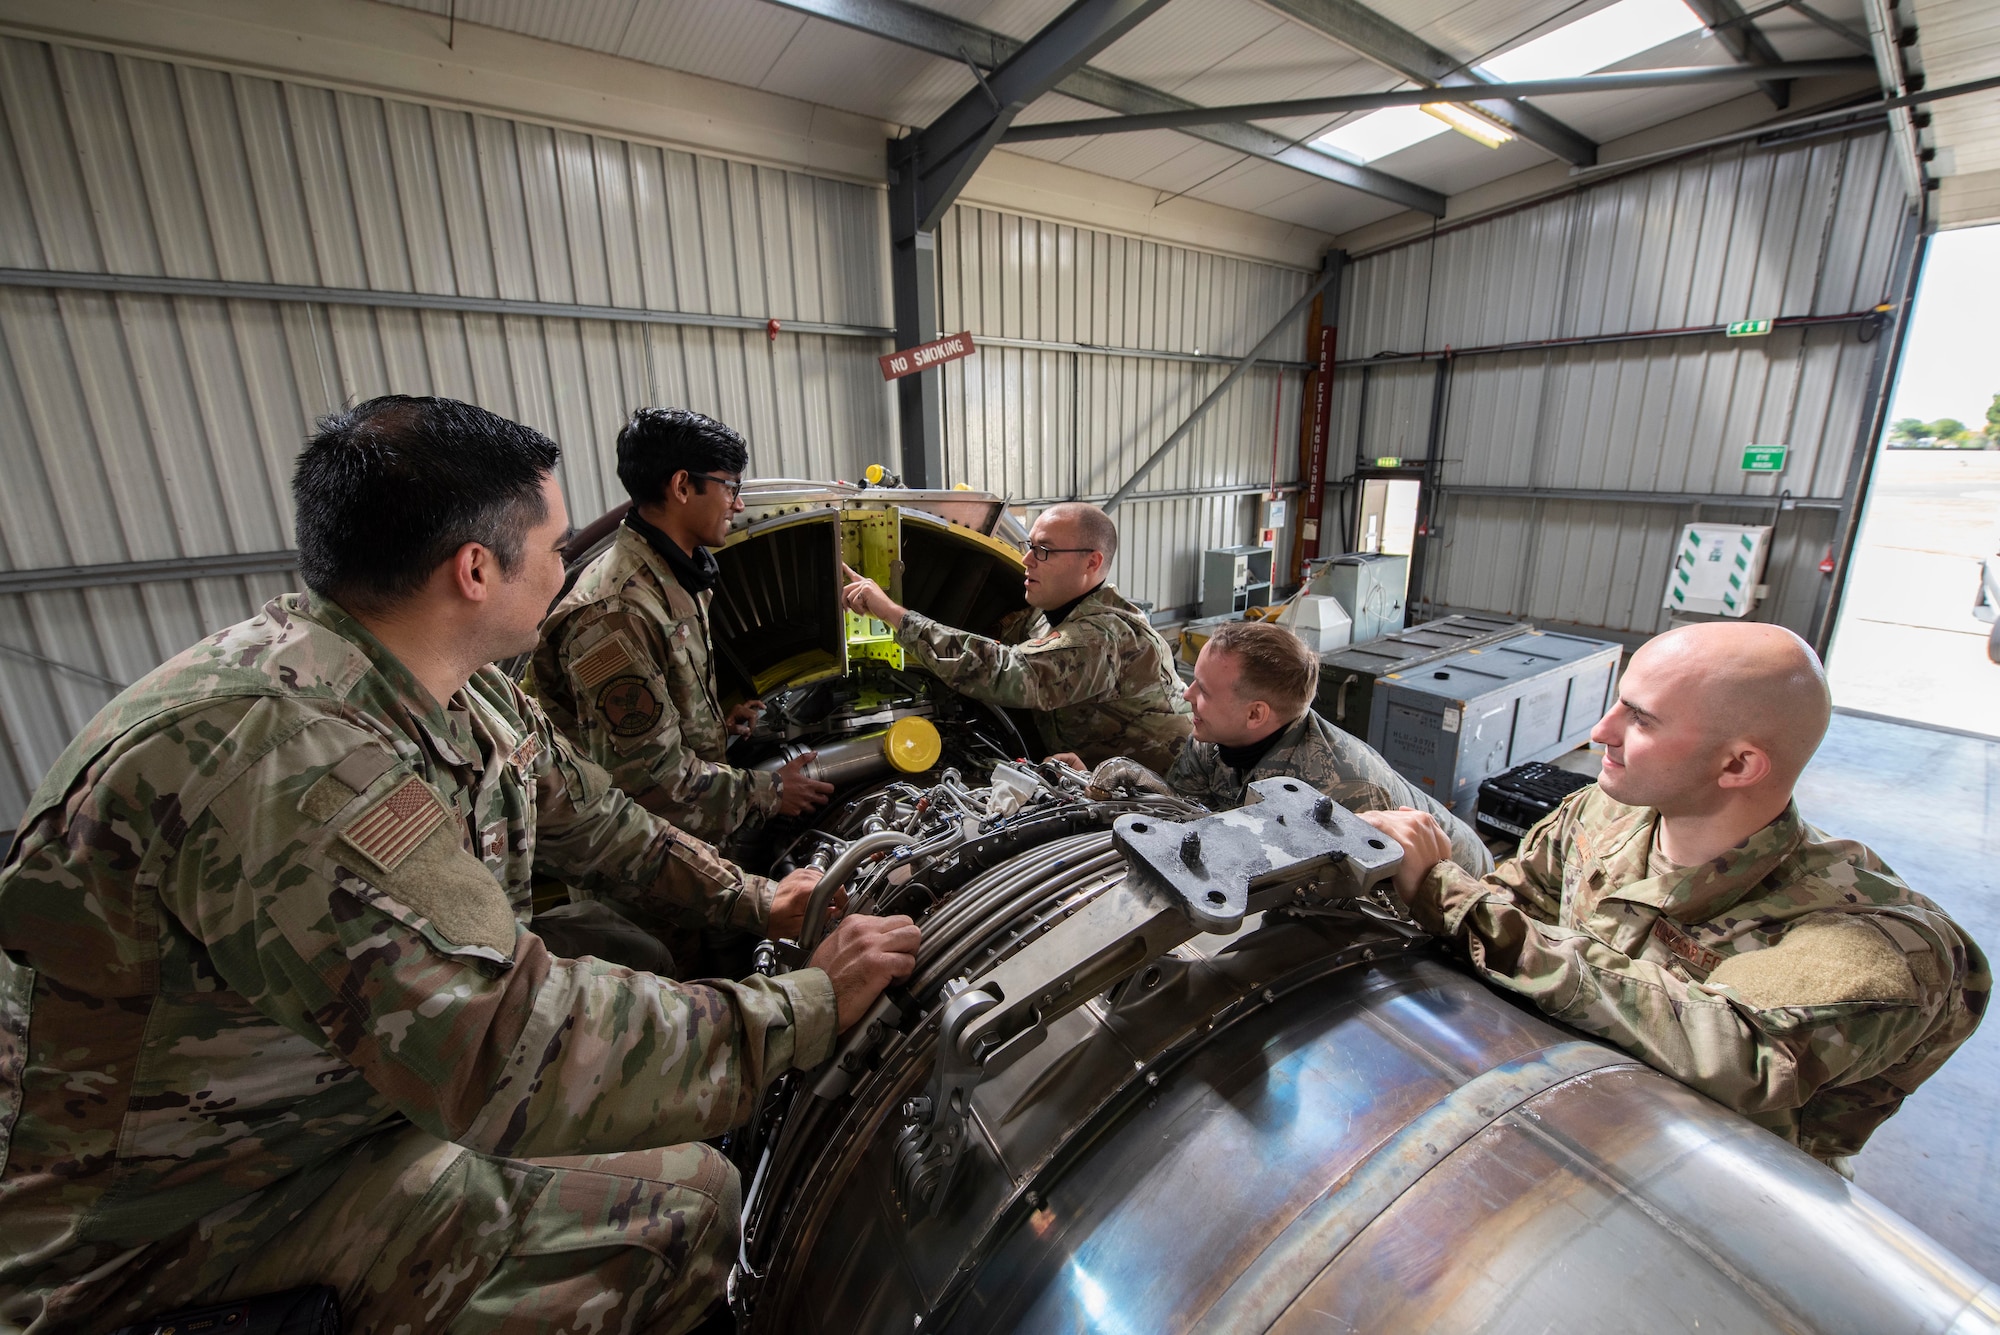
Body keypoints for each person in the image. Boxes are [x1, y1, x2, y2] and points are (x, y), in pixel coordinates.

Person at [0, 396, 920, 1335]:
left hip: (315, 1117)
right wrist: (804, 1008)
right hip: (170, 1224)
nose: (570, 570)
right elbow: (507, 1046)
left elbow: (600, 822)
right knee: (682, 1208)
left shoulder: (456, 688)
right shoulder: (283, 763)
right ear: (475, 569)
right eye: (556, 546)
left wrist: (761, 902)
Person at [1357, 622, 1987, 1166]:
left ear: (1738, 765)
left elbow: (1731, 1049)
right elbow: (1519, 900)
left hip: (1710, 1193)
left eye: (1642, 719)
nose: (1602, 730)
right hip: (1547, 1111)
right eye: (1618, 703)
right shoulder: (1601, 814)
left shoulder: (1883, 941)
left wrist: (1453, 899)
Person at [534, 407, 832, 846]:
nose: (740, 503)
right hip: (647, 872)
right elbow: (650, 780)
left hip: (691, 840)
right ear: (682, 486)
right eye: (730, 486)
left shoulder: (673, 576)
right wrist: (773, 792)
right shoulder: (616, 613)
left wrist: (708, 726)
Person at [839, 501, 1192, 772]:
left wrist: (891, 613)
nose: (1026, 560)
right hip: (1098, 771)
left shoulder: (1103, 638)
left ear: (1091, 563)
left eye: (1044, 551)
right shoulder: (1051, 612)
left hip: (1164, 792)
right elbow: (992, 640)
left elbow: (1006, 671)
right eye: (1029, 545)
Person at [1165, 621, 1491, 875]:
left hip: (1455, 884)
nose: (1187, 695)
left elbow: (1378, 912)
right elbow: (1181, 818)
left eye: (1203, 691)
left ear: (1255, 714)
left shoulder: (1341, 793)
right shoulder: (1212, 736)